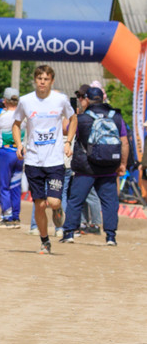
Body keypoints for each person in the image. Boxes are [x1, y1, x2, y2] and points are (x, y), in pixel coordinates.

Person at [12, 64, 75, 254]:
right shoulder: (25, 101)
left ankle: (57, 210)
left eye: (46, 79)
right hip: (33, 160)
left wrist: (68, 142)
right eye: (39, 78)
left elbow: (73, 119)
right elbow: (16, 124)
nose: (42, 82)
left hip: (55, 160)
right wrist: (19, 144)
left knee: (54, 201)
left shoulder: (60, 100)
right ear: (35, 80)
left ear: (52, 81)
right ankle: (45, 240)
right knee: (39, 205)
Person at [63, 83, 125, 245]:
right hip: (109, 167)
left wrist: (73, 115)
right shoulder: (116, 117)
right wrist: (122, 163)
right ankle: (111, 236)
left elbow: (66, 129)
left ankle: (69, 232)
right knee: (109, 202)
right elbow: (124, 142)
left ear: (87, 100)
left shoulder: (82, 119)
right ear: (103, 98)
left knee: (75, 200)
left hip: (86, 168)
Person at [0, 87, 23, 225]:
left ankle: (7, 216)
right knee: (16, 185)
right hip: (20, 152)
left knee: (3, 185)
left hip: (5, 152)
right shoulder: (23, 116)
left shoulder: (3, 116)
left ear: (5, 101)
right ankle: (16, 215)